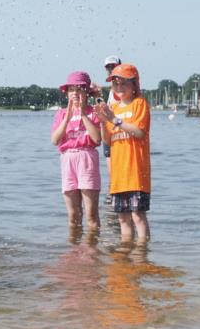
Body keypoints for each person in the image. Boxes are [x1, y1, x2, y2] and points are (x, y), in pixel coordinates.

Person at [95, 64, 151, 241]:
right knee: (122, 219)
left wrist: (114, 119)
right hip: (119, 176)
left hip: (136, 173)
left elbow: (139, 131)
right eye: (115, 84)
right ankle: (125, 253)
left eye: (123, 83)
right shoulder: (115, 108)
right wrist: (104, 122)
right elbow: (107, 140)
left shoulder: (139, 104)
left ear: (134, 84)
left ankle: (142, 254)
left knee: (137, 216)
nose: (119, 88)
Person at [51, 71, 102, 231]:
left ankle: (92, 251)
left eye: (79, 89)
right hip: (67, 160)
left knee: (91, 215)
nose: (75, 93)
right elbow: (55, 140)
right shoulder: (61, 114)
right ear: (67, 93)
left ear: (86, 91)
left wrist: (82, 114)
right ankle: (74, 249)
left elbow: (97, 139)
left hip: (87, 158)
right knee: (73, 215)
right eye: (71, 89)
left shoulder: (93, 111)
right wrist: (67, 117)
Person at [101, 55, 122, 203]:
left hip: (119, 131)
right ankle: (113, 192)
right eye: (108, 67)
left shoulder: (122, 87)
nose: (111, 69)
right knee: (110, 166)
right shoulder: (110, 89)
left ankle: (116, 192)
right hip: (109, 130)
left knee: (118, 166)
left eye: (113, 66)